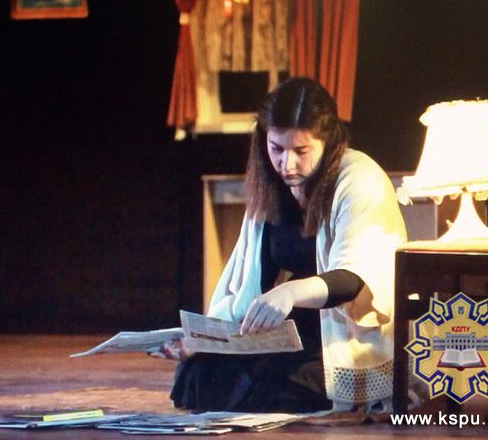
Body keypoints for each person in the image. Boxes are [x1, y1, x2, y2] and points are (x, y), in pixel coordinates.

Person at [159, 77, 407, 413]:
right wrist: (205, 340)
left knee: (273, 387)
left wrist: (289, 293)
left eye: (301, 151)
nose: (287, 164)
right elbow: (254, 282)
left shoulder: (359, 178)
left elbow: (353, 279)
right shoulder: (272, 187)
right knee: (200, 374)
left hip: (341, 329)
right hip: (291, 327)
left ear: (328, 140)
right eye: (276, 149)